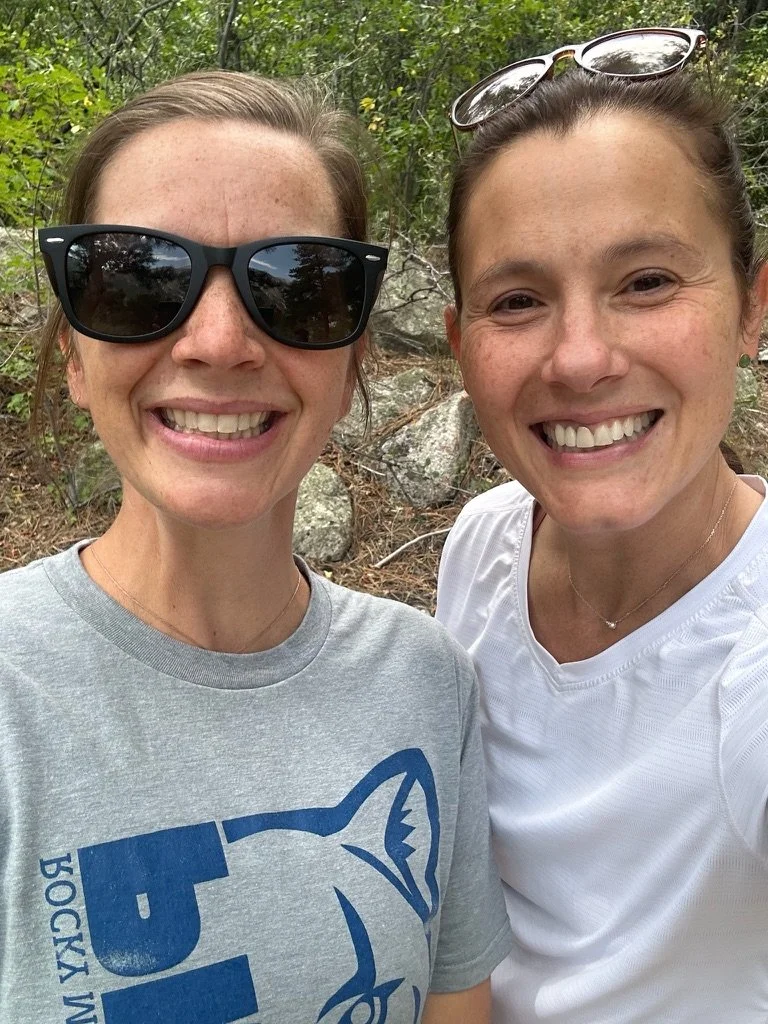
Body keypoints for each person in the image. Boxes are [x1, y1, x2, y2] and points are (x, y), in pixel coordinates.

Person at [0, 70, 512, 1023]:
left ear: (352, 360)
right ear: (71, 351)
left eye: (297, 288)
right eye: (138, 279)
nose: (220, 341)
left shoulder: (426, 681)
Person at [435, 27, 768, 1024]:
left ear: (753, 308)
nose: (580, 358)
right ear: (458, 343)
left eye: (647, 282)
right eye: (518, 299)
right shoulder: (484, 544)